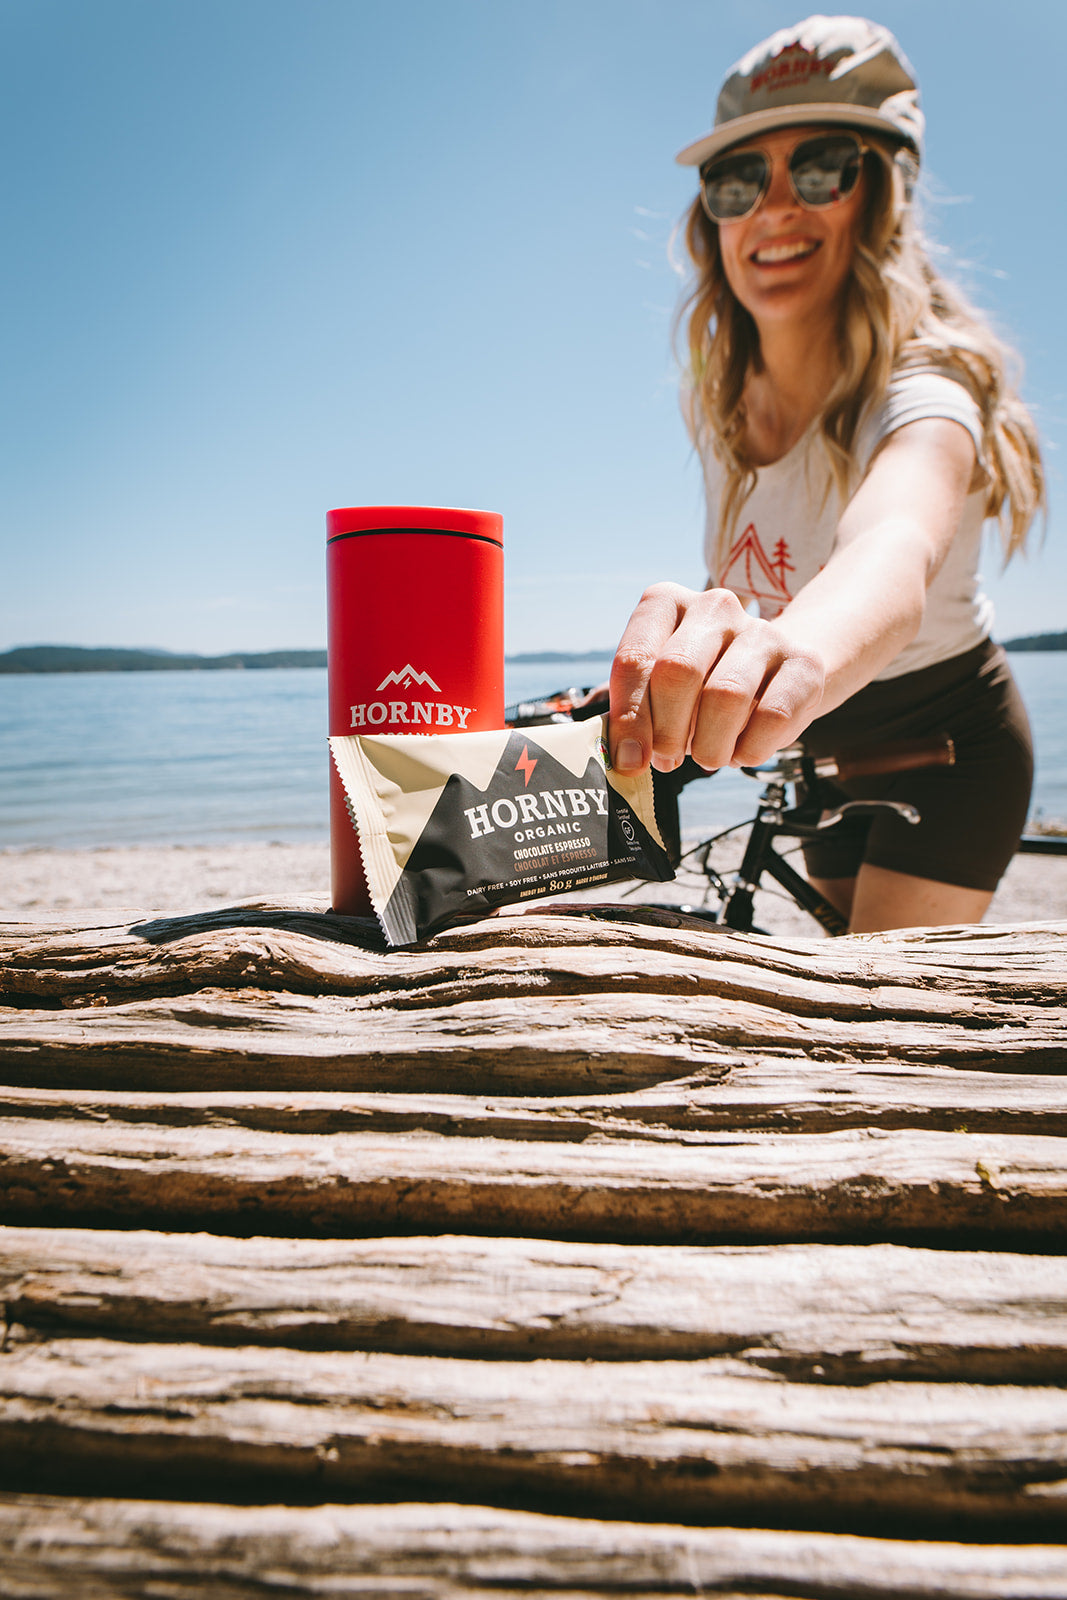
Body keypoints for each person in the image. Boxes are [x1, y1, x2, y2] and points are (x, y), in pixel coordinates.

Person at [607, 14, 1044, 933]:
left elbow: (894, 542)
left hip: (944, 743)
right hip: (818, 741)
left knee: (882, 1026)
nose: (773, 207)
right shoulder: (721, 398)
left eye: (820, 168)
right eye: (736, 179)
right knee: (836, 959)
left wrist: (789, 654)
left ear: (884, 192)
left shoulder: (931, 386)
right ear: (709, 216)